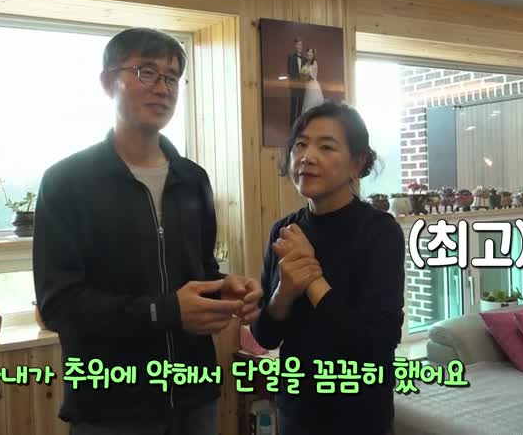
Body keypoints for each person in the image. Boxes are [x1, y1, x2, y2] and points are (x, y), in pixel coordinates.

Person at [33, 27, 263, 435]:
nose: (162, 88)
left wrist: (224, 289)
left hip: (196, 398)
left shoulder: (192, 179)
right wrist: (166, 311)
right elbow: (59, 305)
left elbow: (200, 269)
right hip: (111, 407)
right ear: (108, 83)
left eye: (172, 77)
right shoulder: (67, 182)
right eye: (146, 72)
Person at [251, 102, 405, 435]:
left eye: (326, 147)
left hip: (360, 416)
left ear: (357, 163)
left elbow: (377, 343)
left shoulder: (379, 231)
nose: (307, 157)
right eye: (300, 145)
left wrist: (313, 280)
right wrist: (284, 292)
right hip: (296, 412)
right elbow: (265, 335)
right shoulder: (284, 231)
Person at [287, 38, 306, 128]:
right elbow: (289, 71)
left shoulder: (304, 58)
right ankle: (292, 125)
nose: (299, 46)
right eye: (298, 44)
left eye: (301, 45)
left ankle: (298, 124)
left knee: (300, 105)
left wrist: (304, 78)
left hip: (302, 85)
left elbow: (306, 72)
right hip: (294, 84)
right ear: (295, 46)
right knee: (294, 105)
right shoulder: (290, 56)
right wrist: (298, 78)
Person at [300, 48, 324, 113]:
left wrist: (306, 73)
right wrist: (303, 75)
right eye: (308, 52)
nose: (309, 53)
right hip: (308, 86)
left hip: (314, 85)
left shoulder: (315, 63)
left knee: (314, 103)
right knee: (308, 104)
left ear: (313, 55)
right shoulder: (305, 64)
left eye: (311, 52)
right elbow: (303, 78)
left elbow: (312, 76)